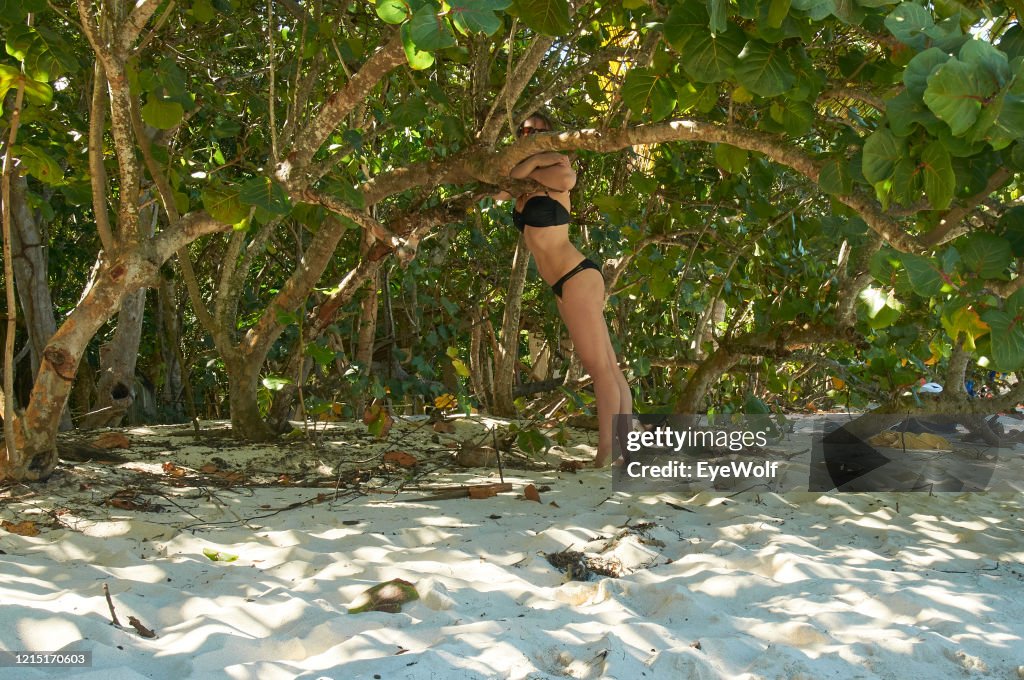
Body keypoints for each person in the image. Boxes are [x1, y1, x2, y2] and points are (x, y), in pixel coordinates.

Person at [497, 113, 632, 467]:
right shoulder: (526, 179)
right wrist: (529, 163)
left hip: (577, 275)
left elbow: (558, 177)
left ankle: (606, 454)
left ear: (552, 136)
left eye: (539, 131)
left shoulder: (560, 170)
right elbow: (500, 187)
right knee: (609, 366)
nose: (530, 135)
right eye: (525, 131)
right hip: (564, 283)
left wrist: (538, 159)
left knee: (600, 368)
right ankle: (624, 448)